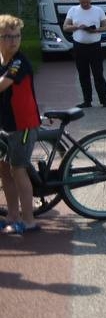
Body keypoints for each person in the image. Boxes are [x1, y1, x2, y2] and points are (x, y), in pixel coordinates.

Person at [0, 15, 41, 235]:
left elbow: (3, 84)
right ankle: (12, 215)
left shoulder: (18, 62)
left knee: (18, 170)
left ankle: (28, 221)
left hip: (22, 124)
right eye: (7, 36)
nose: (13, 41)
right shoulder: (2, 60)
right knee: (4, 171)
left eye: (16, 36)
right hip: (6, 124)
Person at [63, 0, 106, 108]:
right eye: (82, 2)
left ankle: (105, 100)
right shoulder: (73, 10)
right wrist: (76, 27)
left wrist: (95, 30)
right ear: (78, 0)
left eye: (86, 2)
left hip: (95, 46)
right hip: (79, 46)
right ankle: (87, 100)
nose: (84, 4)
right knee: (83, 74)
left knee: (98, 74)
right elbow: (65, 27)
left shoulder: (98, 10)